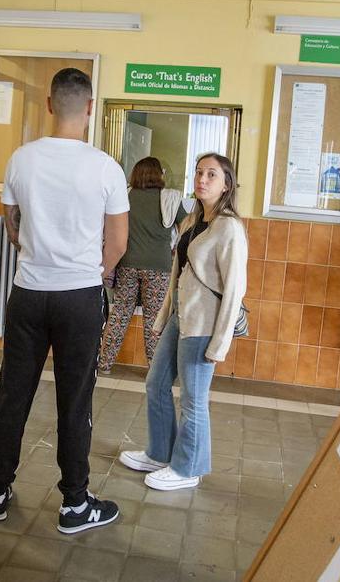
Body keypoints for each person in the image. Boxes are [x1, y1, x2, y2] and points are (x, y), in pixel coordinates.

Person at [0, 67, 130, 534]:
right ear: (90, 108)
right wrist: (94, 271)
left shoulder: (21, 160)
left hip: (28, 293)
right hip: (79, 299)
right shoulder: (106, 167)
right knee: (74, 399)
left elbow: (12, 225)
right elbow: (119, 243)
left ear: (49, 105)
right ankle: (74, 504)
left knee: (13, 393)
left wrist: (37, 257)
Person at [118, 153, 248, 491]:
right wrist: (162, 317)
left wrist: (220, 343)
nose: (202, 180)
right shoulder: (192, 222)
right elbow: (178, 276)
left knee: (193, 399)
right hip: (181, 318)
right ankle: (160, 452)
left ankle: (188, 467)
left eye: (211, 175)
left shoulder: (230, 228)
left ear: (227, 185)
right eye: (199, 172)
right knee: (156, 383)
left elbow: (234, 289)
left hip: (205, 325)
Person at [98, 156, 187, 374]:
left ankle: (105, 364)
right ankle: (154, 369)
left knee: (119, 315)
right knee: (153, 320)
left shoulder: (126, 196)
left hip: (127, 264)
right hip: (159, 267)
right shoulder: (170, 199)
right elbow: (187, 226)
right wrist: (175, 248)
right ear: (159, 174)